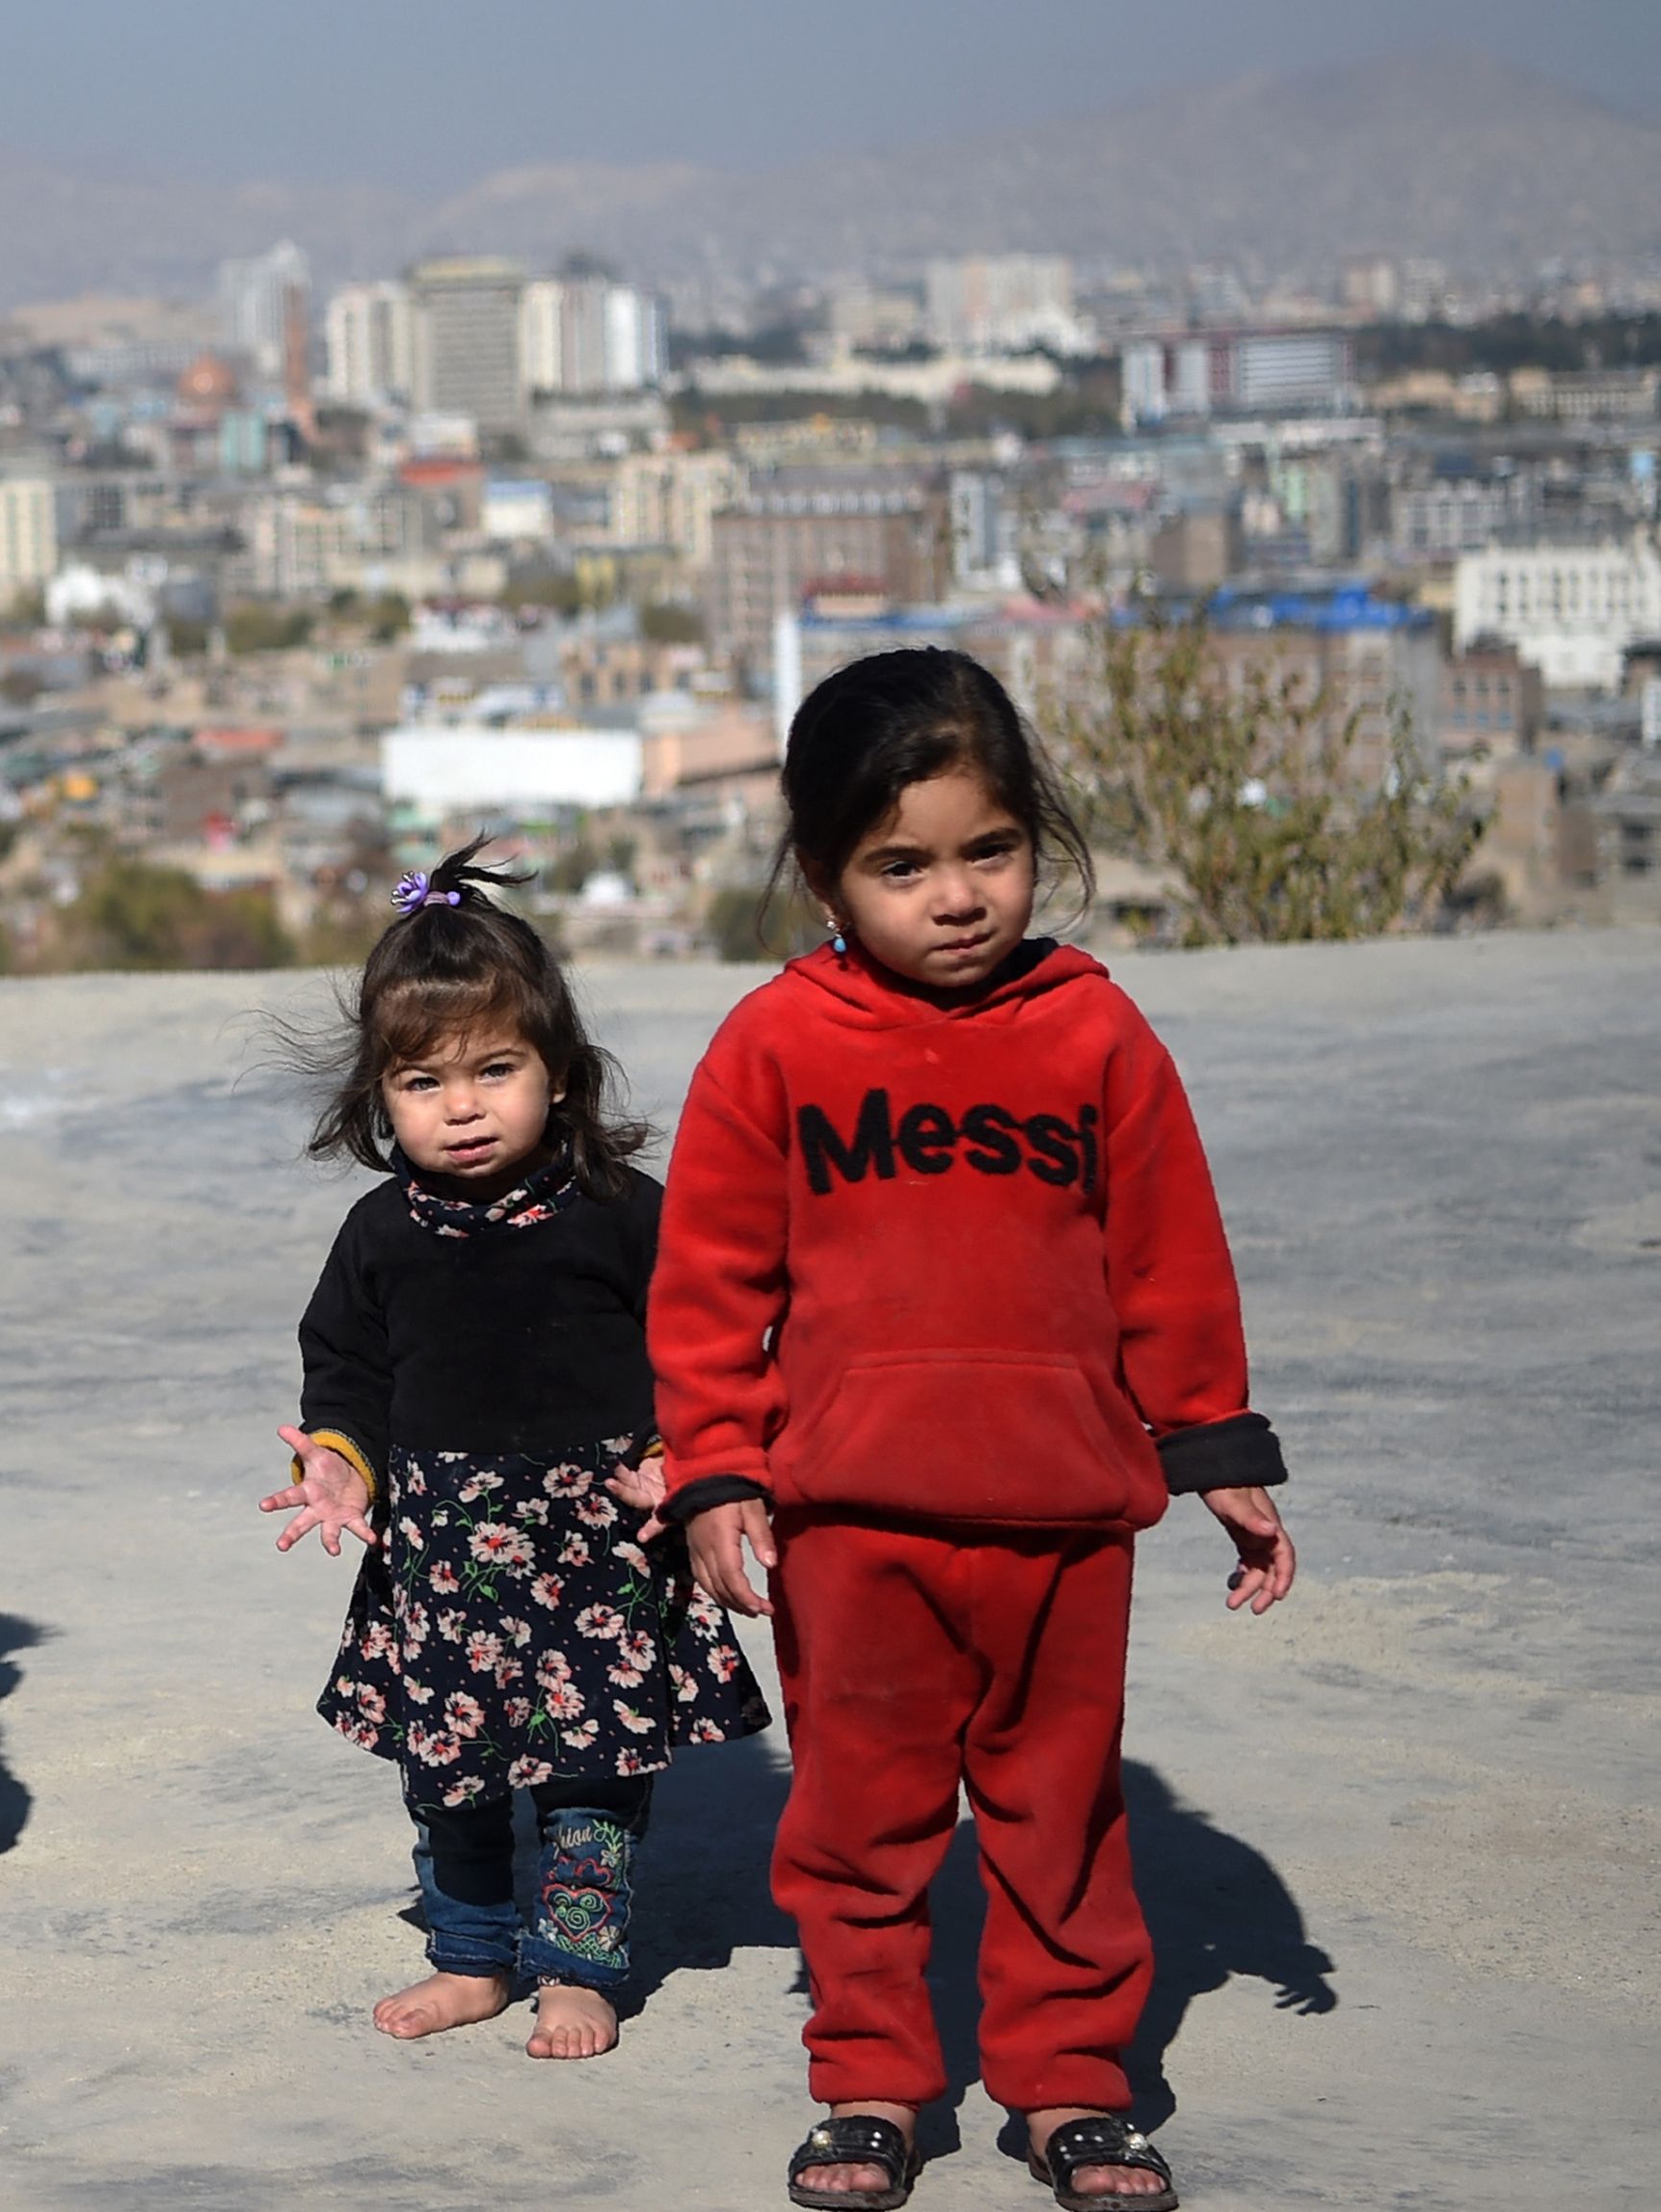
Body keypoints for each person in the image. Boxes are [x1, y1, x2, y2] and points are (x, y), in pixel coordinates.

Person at [649, 648, 1297, 2212]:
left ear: (1035, 838)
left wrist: (1215, 1450)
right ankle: (871, 2079)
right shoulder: (776, 1047)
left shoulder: (1095, 1034)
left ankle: (1073, 2088)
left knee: (1057, 1818)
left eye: (987, 852)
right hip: (852, 1525)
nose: (955, 897)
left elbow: (1170, 1257)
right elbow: (708, 1281)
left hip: (1066, 1519)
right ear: (825, 872)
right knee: (859, 1823)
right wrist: (716, 1470)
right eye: (902, 865)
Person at [262, 843, 770, 2062]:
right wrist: (339, 1458)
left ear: (560, 1070)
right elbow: (347, 1368)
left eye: (497, 1069)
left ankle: (580, 1966)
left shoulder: (621, 1210)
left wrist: (684, 1450)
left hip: (598, 1550)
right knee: (452, 1776)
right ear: (379, 1098)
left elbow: (696, 1342)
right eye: (424, 1081)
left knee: (591, 1775)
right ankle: (471, 1952)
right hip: (445, 1559)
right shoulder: (380, 1232)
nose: (465, 1105)